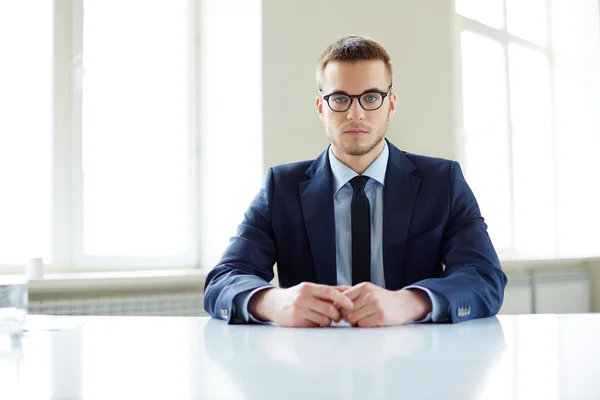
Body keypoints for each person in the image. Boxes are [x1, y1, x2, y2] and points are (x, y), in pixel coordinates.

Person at [203, 35, 507, 327]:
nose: (355, 113)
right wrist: (274, 303)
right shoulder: (280, 188)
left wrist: (409, 303)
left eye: (371, 97)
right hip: (311, 362)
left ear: (391, 104)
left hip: (417, 360)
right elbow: (225, 278)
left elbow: (483, 276)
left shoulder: (443, 182)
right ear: (321, 108)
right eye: (340, 99)